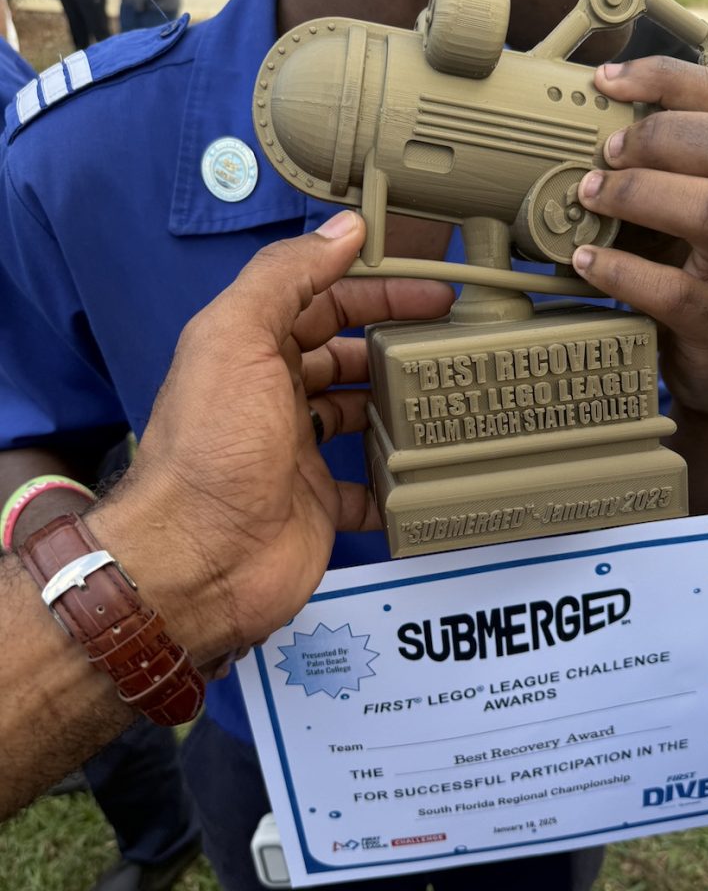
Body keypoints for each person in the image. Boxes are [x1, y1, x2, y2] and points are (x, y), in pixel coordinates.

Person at [0, 0, 708, 889]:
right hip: (269, 767)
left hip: (548, 771)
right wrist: (129, 572)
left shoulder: (655, 163)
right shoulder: (83, 158)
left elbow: (682, 546)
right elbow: (25, 428)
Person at [0, 213, 455, 824]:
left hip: (562, 714)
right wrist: (168, 566)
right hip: (267, 717)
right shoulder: (52, 156)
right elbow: (25, 414)